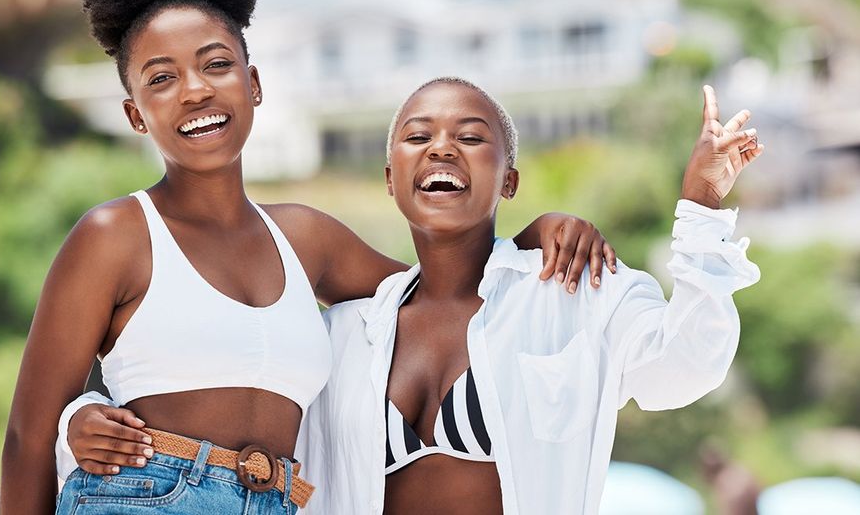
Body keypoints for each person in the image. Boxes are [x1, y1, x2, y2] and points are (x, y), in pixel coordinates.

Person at [0, 0, 615, 514]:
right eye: (161, 79)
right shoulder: (115, 235)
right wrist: (75, 418)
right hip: (142, 498)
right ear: (136, 113)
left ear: (254, 83)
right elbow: (29, 433)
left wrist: (535, 234)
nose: (195, 90)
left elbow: (447, 294)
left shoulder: (307, 239)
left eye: (216, 64)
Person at [62, 77, 762, 514]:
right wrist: (86, 412)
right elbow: (229, 400)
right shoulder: (346, 332)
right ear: (391, 179)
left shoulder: (571, 290)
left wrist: (700, 205)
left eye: (472, 136)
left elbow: (686, 366)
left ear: (509, 180)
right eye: (417, 136)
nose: (441, 148)